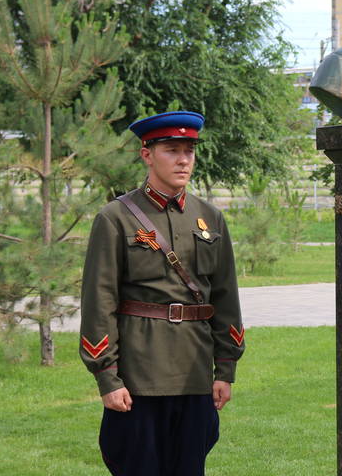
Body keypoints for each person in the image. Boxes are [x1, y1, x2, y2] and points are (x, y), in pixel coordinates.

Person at [79, 111, 245, 476]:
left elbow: (225, 297)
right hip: (139, 376)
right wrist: (107, 377)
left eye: (189, 150)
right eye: (171, 150)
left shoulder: (210, 218)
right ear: (147, 154)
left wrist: (226, 369)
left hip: (194, 372)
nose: (183, 160)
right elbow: (98, 302)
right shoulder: (115, 218)